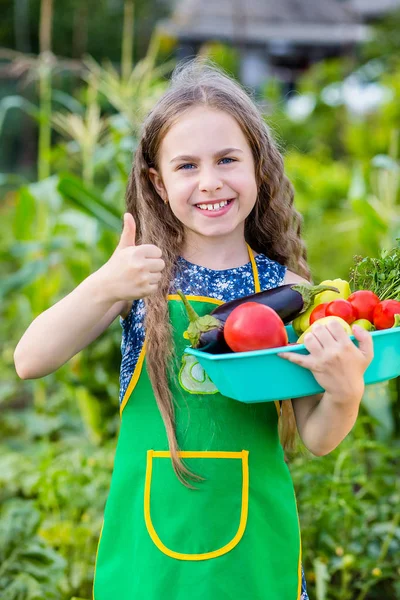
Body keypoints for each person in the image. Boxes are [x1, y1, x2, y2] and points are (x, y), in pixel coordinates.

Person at [14, 59, 373, 600]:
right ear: (157, 182)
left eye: (228, 159)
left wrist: (345, 391)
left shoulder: (292, 290)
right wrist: (105, 284)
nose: (210, 182)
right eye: (186, 166)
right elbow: (30, 359)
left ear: (259, 168)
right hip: (152, 558)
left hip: (256, 551)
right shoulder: (139, 276)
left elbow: (318, 438)